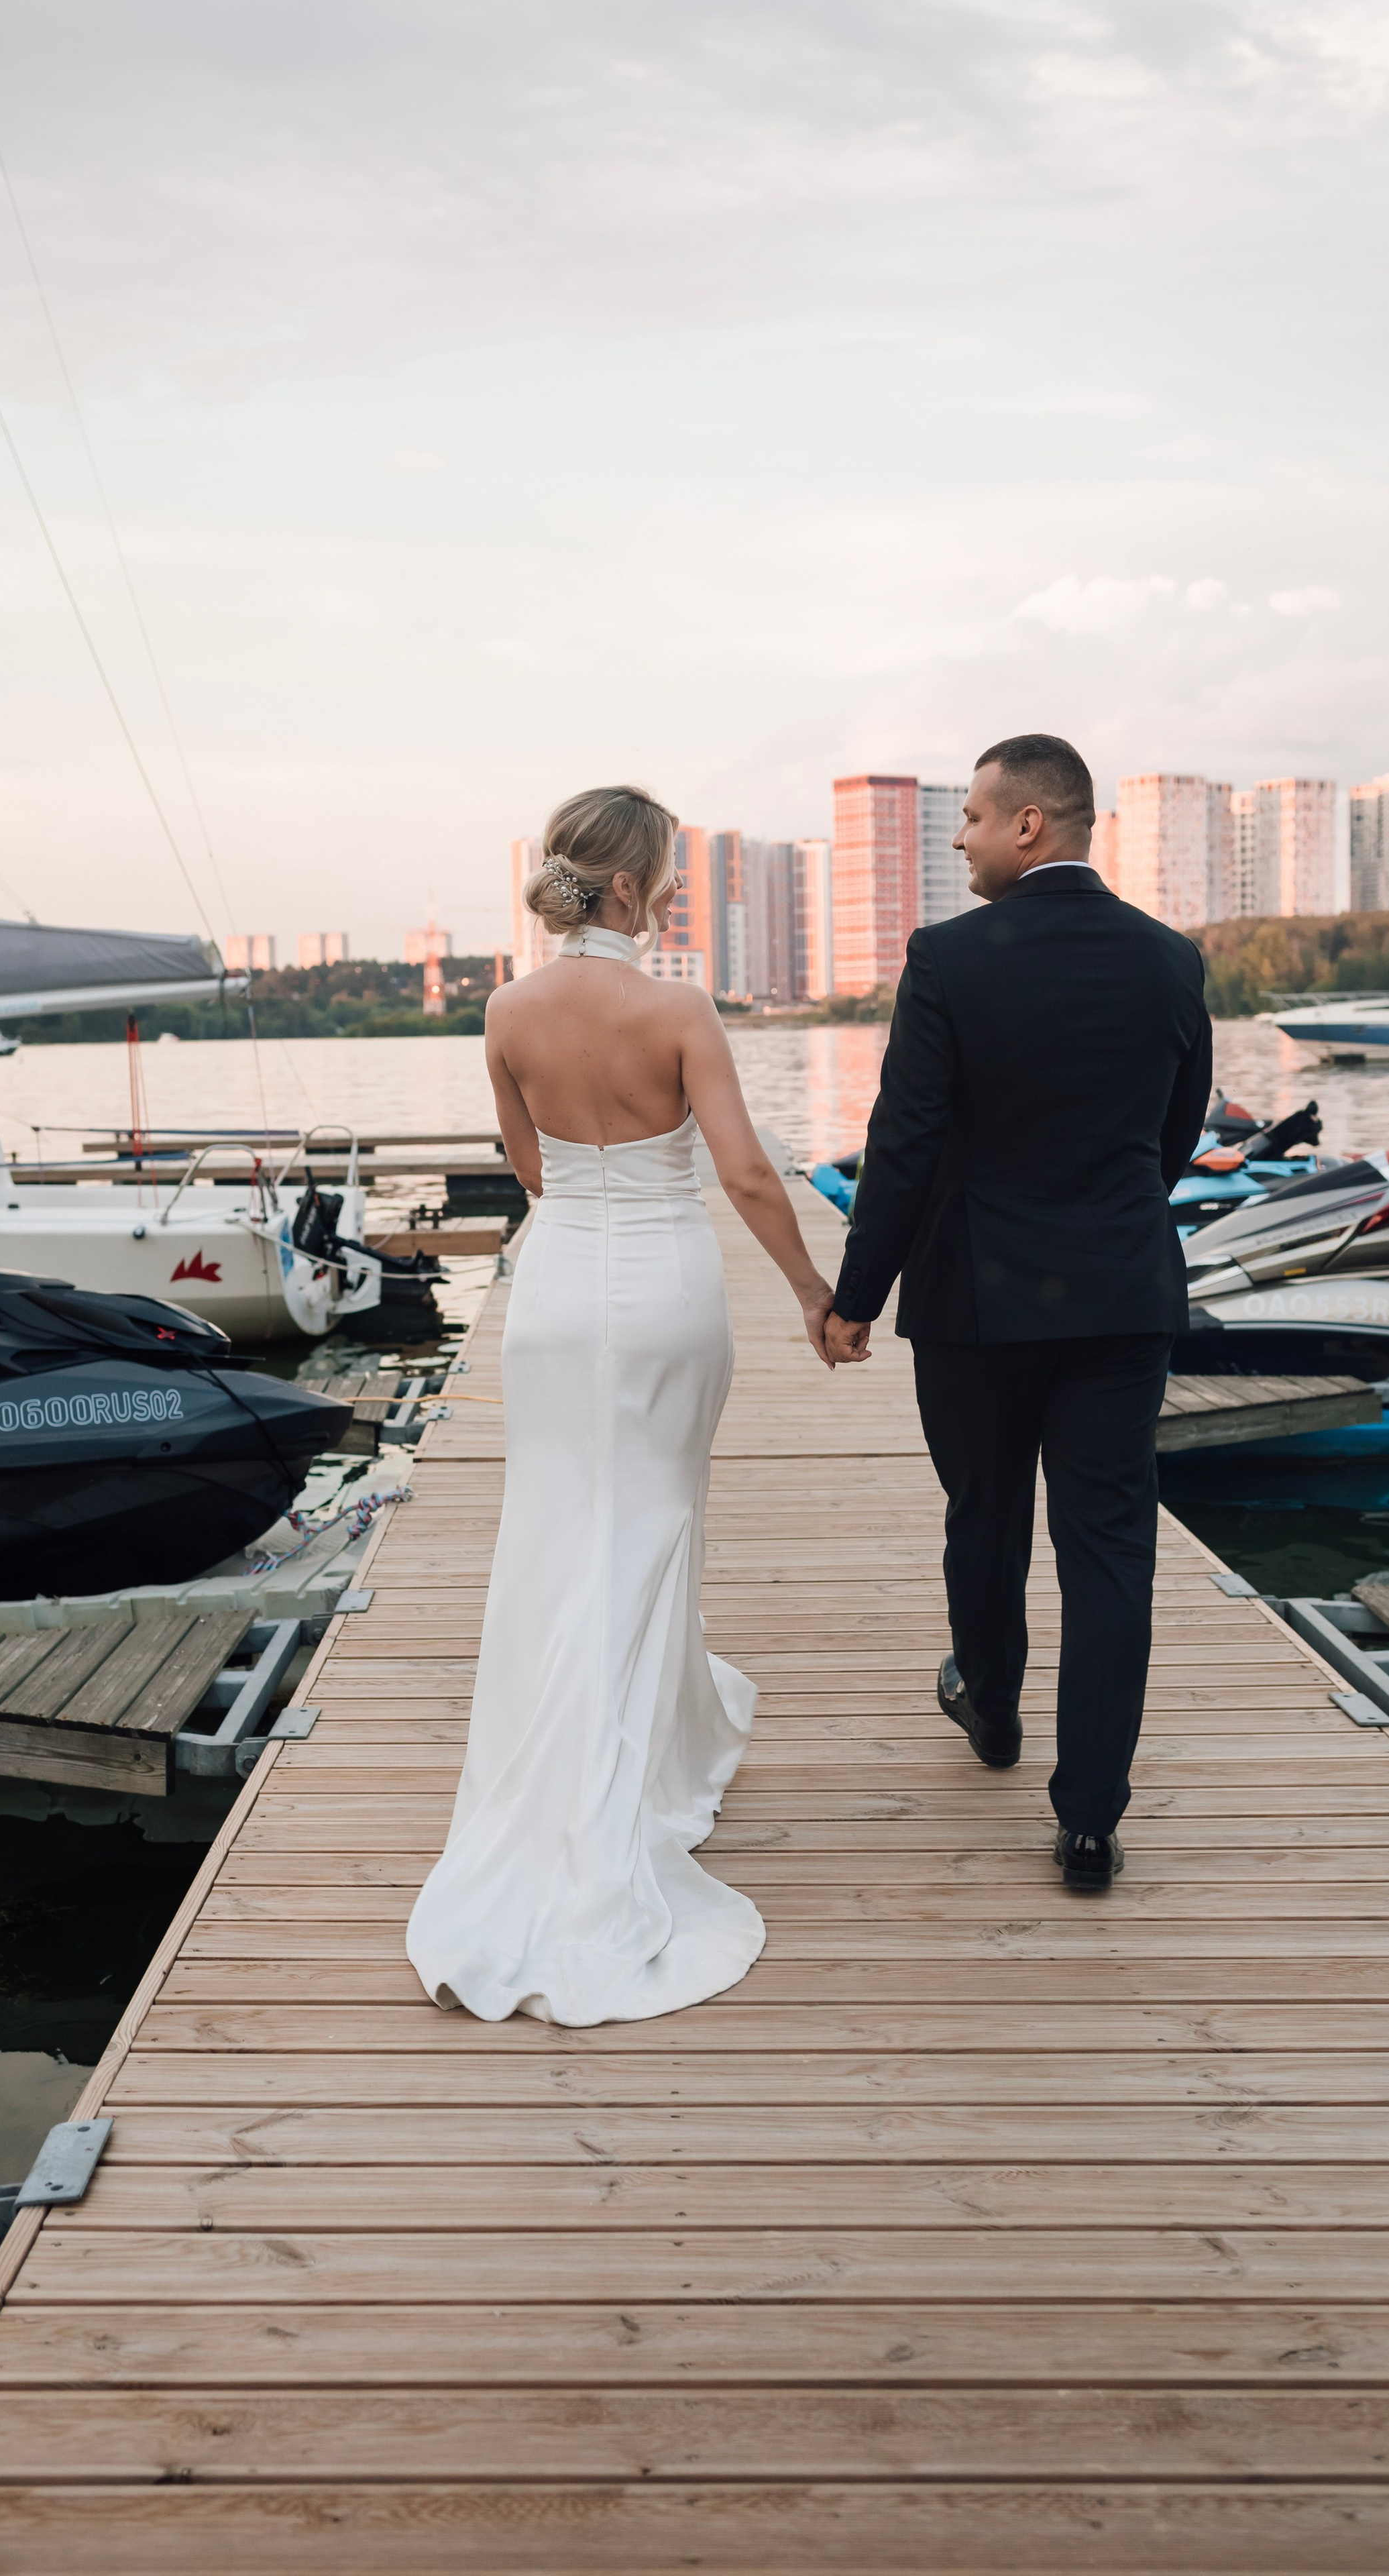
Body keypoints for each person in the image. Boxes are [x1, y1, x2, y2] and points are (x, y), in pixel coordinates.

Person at [406, 785, 838, 2024]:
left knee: (556, 1526)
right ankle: (625, 1788)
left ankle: (562, 1769)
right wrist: (814, 1292)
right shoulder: (680, 1009)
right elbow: (749, 1173)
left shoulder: (503, 1010)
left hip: (555, 1288)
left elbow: (531, 1168)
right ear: (641, 890)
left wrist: (589, 1209)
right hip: (661, 1285)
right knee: (653, 1520)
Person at [825, 735, 1211, 1893]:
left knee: (983, 1516)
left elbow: (904, 1142)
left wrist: (856, 1297)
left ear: (1031, 824)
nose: (961, 838)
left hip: (978, 1302)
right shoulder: (1169, 959)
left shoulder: (949, 957)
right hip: (1120, 1293)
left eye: (976, 820)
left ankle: (992, 1711)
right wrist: (1111, 1216)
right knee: (1109, 1552)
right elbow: (1177, 1131)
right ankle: (1089, 1822)